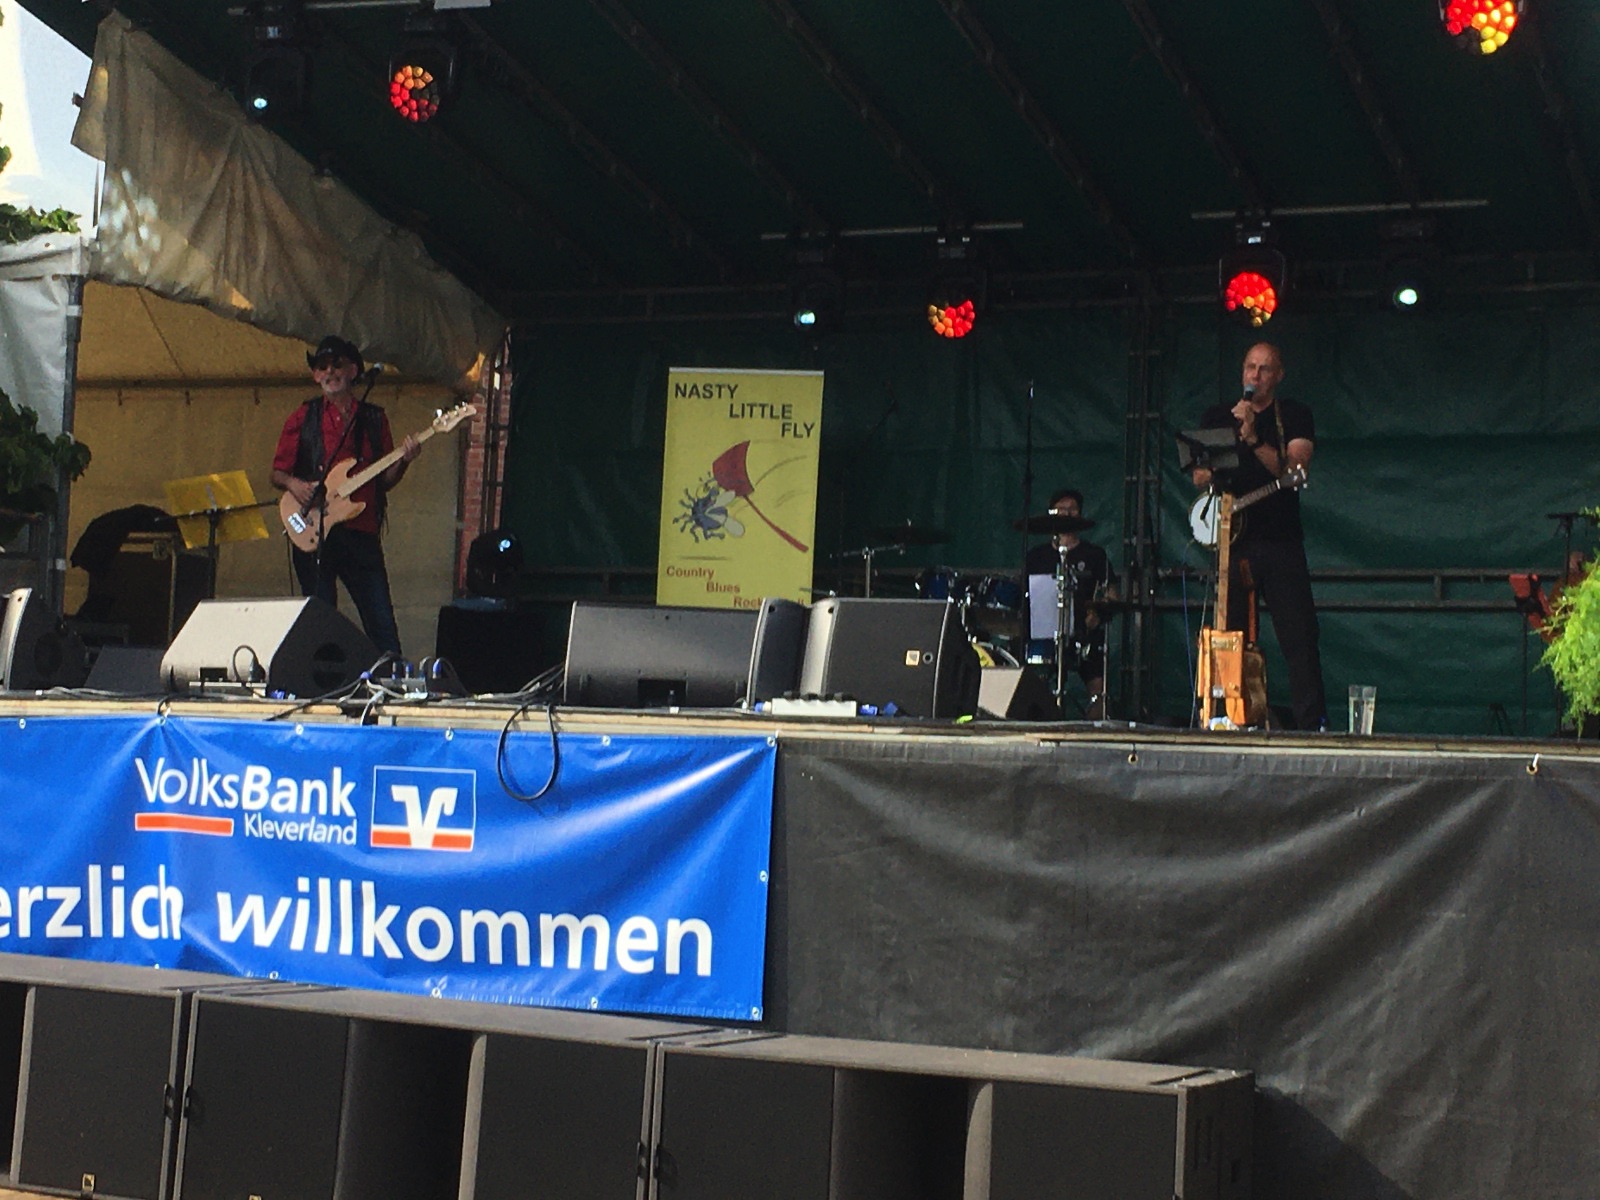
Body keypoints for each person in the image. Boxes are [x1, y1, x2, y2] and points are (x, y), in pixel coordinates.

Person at [1191, 341, 1326, 730]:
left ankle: (1310, 724)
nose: (1256, 375)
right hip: (1233, 541)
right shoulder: (1219, 415)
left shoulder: (1294, 415)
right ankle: (1227, 717)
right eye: (1251, 367)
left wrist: (1252, 437)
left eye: (1265, 369)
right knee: (1228, 634)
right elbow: (1199, 476)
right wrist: (1213, 463)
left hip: (1280, 538)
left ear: (1278, 376)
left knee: (1298, 636)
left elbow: (1294, 470)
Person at [271, 335, 418, 657]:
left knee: (381, 623)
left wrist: (405, 460)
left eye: (337, 365)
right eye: (322, 367)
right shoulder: (303, 417)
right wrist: (296, 485)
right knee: (321, 625)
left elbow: (384, 482)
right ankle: (325, 679)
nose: (329, 372)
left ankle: (388, 677)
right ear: (315, 375)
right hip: (315, 534)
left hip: (361, 533)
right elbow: (277, 473)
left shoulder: (375, 419)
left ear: (353, 371)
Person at [1023, 488, 1116, 719]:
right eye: (1061, 509)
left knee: (1099, 691)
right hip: (1044, 632)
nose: (1067, 514)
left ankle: (1096, 728)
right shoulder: (1036, 557)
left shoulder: (1095, 555)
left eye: (1072, 509)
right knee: (1031, 686)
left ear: (1080, 514)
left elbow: (1112, 595)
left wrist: (1098, 613)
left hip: (1083, 633)